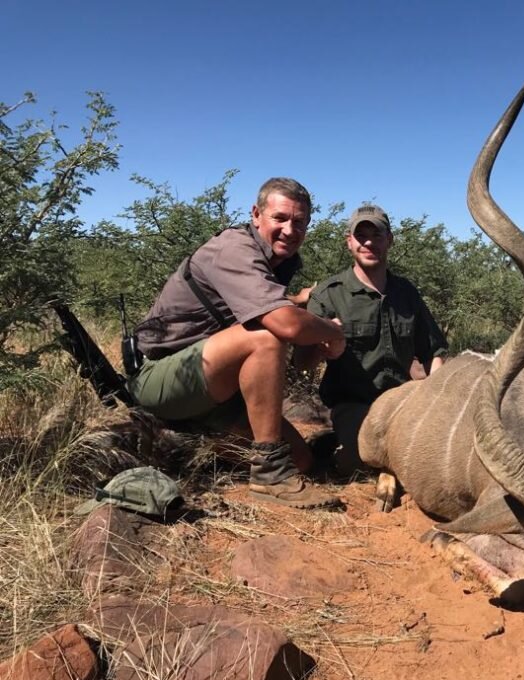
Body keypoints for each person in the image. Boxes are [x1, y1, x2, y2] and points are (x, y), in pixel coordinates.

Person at [129, 177, 346, 507]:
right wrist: (333, 331)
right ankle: (269, 479)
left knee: (301, 461)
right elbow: (283, 324)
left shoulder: (278, 259)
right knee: (265, 337)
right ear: (256, 214)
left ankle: (205, 441)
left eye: (299, 221)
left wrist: (297, 305)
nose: (290, 229)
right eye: (280, 218)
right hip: (164, 375)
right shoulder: (234, 248)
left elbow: (260, 305)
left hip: (214, 383)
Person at [301, 203, 448, 476]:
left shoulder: (406, 293)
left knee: (436, 457)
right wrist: (324, 347)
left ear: (389, 240)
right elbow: (305, 362)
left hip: (404, 403)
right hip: (355, 405)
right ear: (349, 242)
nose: (369, 243)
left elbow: (433, 352)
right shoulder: (329, 294)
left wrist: (436, 401)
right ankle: (339, 441)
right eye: (361, 236)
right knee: (363, 461)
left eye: (377, 235)